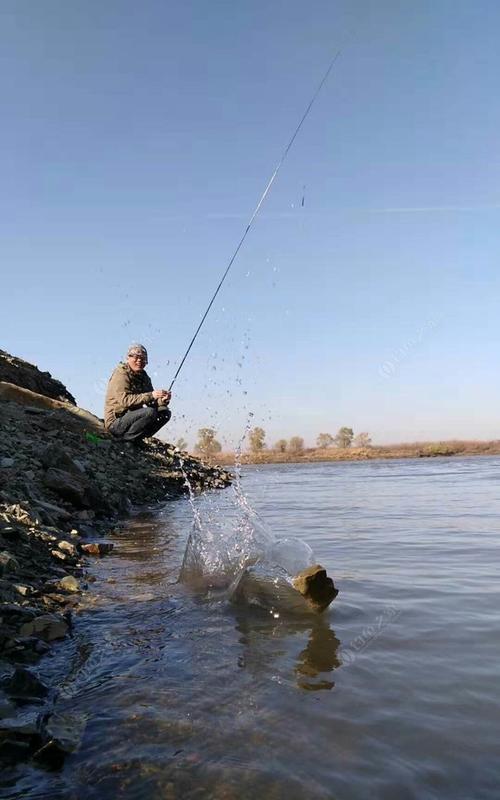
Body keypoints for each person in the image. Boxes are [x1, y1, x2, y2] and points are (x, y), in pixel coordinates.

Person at [104, 344, 171, 442]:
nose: (139, 361)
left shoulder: (144, 377)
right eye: (136, 357)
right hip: (115, 423)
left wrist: (162, 401)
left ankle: (136, 439)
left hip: (131, 419)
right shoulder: (121, 374)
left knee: (164, 412)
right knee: (149, 412)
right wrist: (152, 395)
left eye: (143, 359)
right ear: (128, 358)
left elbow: (151, 403)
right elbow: (125, 401)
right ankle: (127, 441)